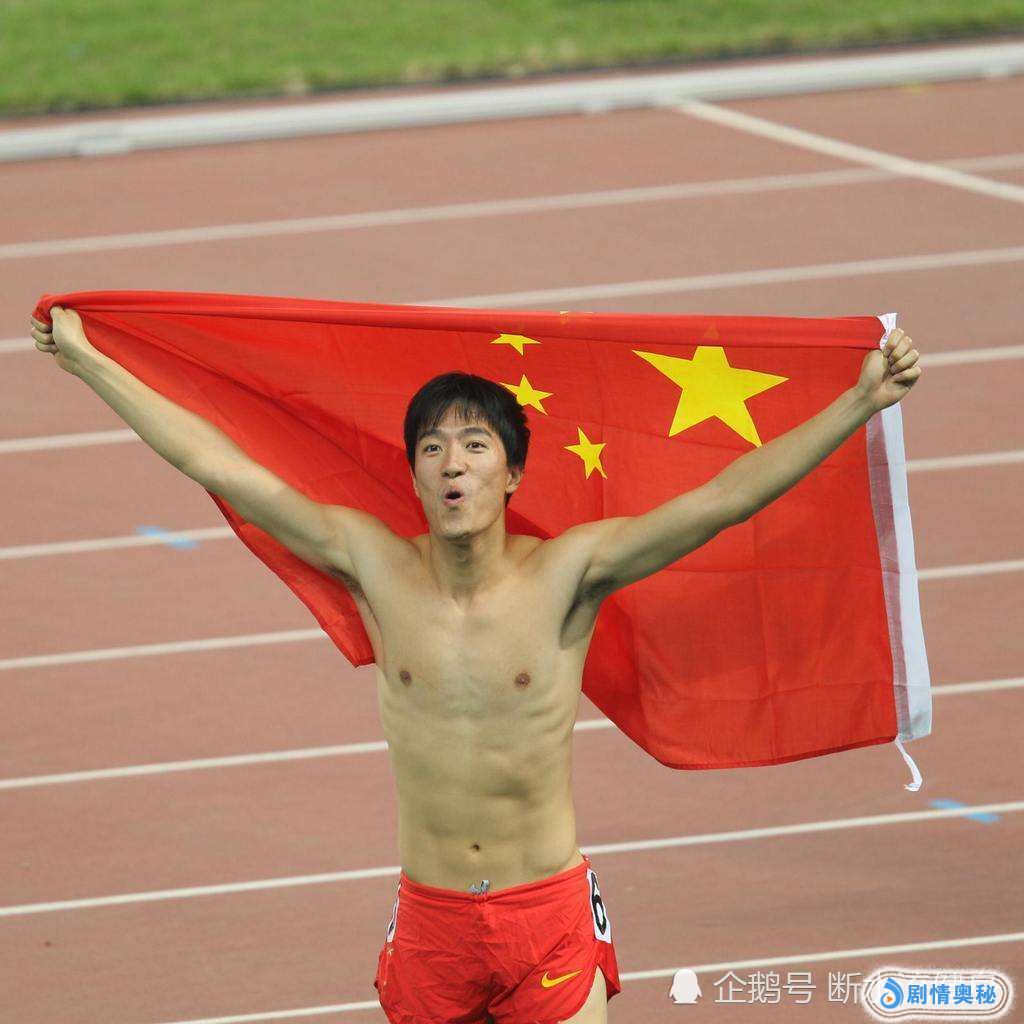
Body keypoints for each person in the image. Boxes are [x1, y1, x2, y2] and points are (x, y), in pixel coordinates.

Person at [30, 306, 921, 1023]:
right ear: (415, 477)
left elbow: (722, 500)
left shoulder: (570, 573)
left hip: (546, 914)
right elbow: (218, 463)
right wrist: (91, 363)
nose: (452, 464)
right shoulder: (373, 565)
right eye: (432, 449)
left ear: (513, 475)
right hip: (434, 918)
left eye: (475, 446)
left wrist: (859, 403)